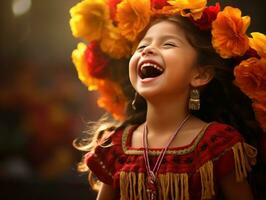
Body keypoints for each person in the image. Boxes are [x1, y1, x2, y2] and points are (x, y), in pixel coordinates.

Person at [69, 0, 266, 199]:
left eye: (168, 44)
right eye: (142, 45)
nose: (147, 50)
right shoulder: (114, 146)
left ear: (200, 75)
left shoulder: (217, 143)